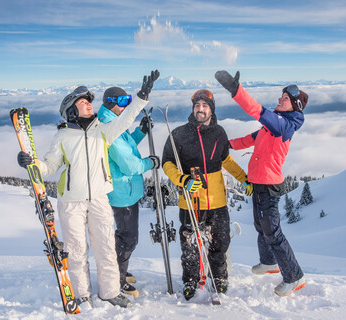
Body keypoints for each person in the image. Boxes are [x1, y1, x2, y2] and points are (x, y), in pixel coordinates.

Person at [17, 70, 160, 311]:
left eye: (89, 102)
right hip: (71, 202)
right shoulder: (62, 136)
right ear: (71, 110)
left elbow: (124, 121)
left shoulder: (101, 130)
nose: (89, 106)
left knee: (106, 247)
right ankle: (83, 294)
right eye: (84, 103)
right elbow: (50, 166)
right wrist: (31, 163)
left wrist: (142, 97)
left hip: (99, 199)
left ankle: (110, 292)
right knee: (76, 251)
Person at [215, 70, 308, 297]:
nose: (279, 99)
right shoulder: (272, 127)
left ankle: (294, 276)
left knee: (273, 232)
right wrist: (224, 145)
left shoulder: (283, 126)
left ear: (294, 105)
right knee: (261, 226)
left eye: (284, 98)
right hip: (258, 183)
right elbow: (249, 139)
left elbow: (257, 110)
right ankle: (269, 263)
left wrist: (236, 91)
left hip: (268, 185)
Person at [161, 89, 250, 300]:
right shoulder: (179, 134)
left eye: (205, 106)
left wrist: (243, 177)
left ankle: (219, 277)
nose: (200, 110)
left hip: (217, 200)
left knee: (219, 242)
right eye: (197, 106)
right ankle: (190, 280)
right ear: (193, 109)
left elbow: (225, 159)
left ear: (211, 109)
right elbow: (167, 163)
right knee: (190, 244)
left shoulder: (219, 133)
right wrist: (182, 180)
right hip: (190, 201)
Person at [96, 86, 160, 299]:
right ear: (110, 102)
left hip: (126, 192)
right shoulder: (108, 125)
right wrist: (150, 163)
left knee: (124, 236)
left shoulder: (114, 123)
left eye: (127, 101)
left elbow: (128, 146)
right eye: (122, 101)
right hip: (122, 194)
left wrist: (140, 131)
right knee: (128, 239)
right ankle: (117, 280)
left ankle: (117, 269)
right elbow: (129, 164)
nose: (125, 106)